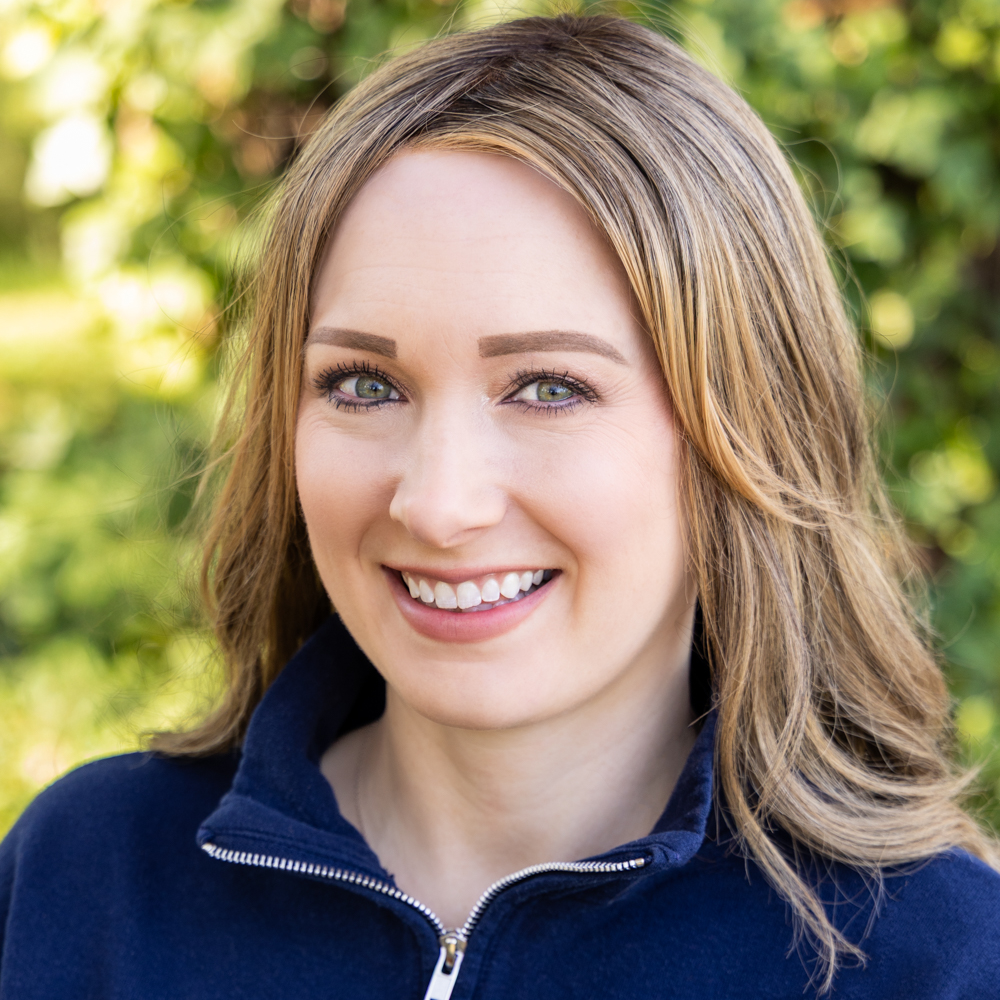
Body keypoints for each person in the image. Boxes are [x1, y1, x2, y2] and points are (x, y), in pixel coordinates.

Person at [2, 14, 999, 1000]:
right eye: (362, 384)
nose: (438, 502)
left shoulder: (937, 961)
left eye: (548, 388)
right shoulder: (82, 879)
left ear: (743, 429)